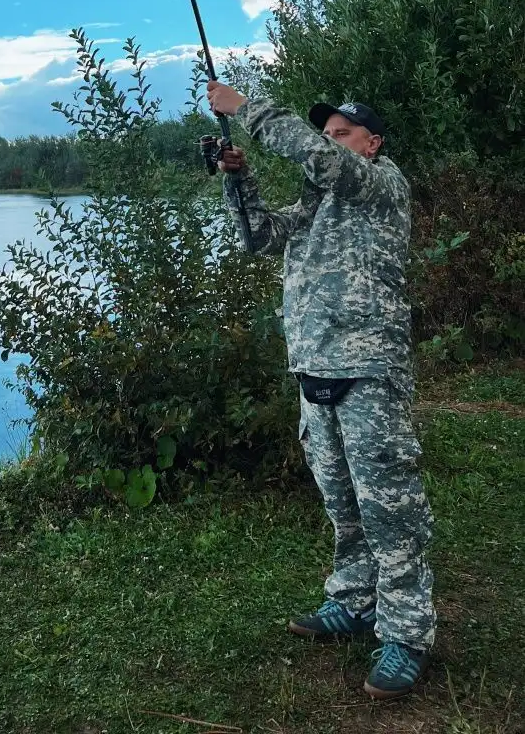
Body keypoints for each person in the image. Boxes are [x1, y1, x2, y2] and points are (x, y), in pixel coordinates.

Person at [206, 81, 435, 701]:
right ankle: (356, 602)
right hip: (313, 367)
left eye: (341, 131)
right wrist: (238, 179)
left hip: (367, 370)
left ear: (372, 142)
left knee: (391, 507)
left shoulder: (381, 182)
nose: (329, 141)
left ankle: (407, 635)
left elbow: (324, 161)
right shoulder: (317, 197)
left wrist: (246, 108)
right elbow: (258, 237)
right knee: (342, 503)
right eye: (326, 132)